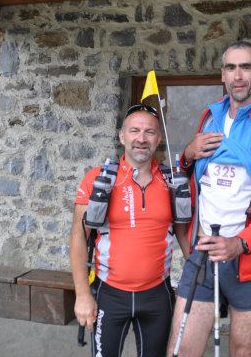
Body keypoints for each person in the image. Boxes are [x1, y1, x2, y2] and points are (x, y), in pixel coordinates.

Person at [167, 41, 251, 356]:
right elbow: (188, 176)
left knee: (244, 350)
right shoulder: (209, 118)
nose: (238, 76)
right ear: (223, 75)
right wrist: (187, 154)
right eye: (231, 67)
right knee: (181, 348)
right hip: (203, 254)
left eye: (246, 67)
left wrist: (240, 243)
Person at [69, 104, 188, 357]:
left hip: (158, 295)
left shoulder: (172, 182)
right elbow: (79, 236)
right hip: (109, 294)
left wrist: (202, 277)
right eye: (134, 131)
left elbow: (184, 234)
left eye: (149, 132)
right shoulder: (98, 179)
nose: (141, 138)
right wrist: (82, 295)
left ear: (158, 138)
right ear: (122, 136)